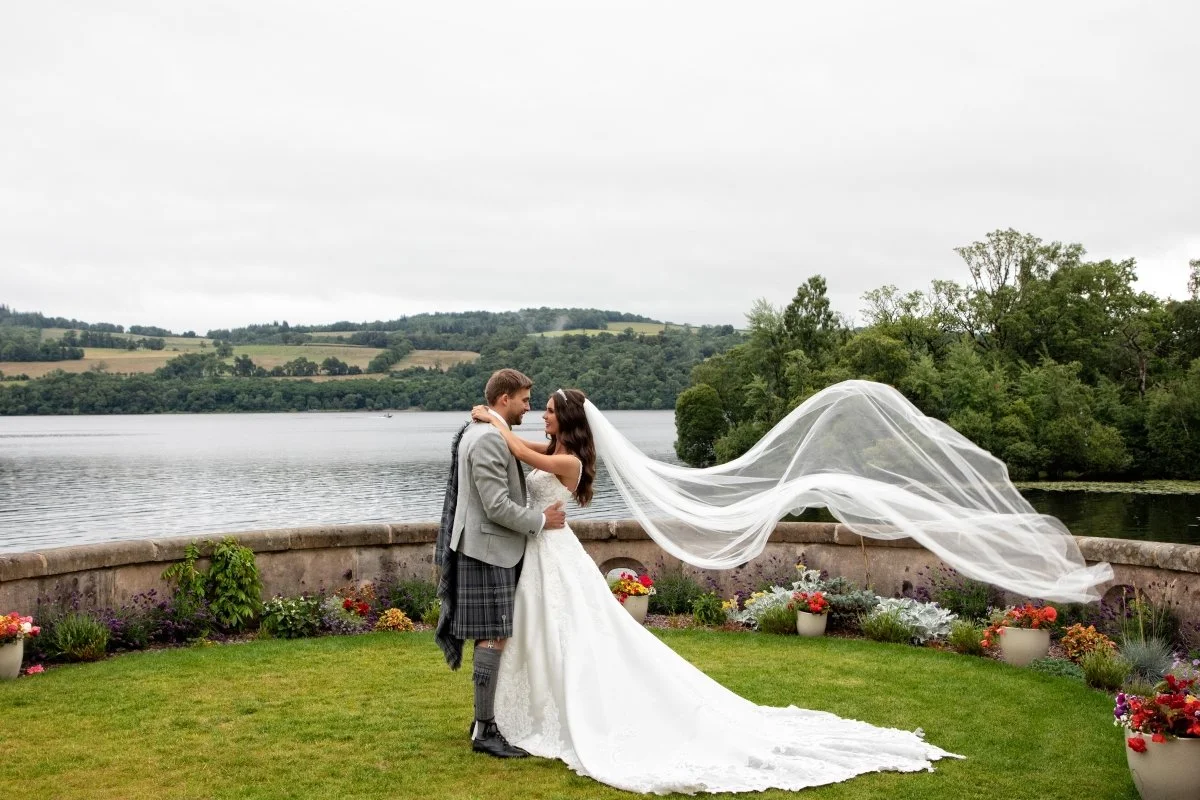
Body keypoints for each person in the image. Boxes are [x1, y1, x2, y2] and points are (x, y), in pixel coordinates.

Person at [469, 382, 1113, 793]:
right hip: (541, 554)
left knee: (581, 639)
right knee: (551, 636)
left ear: (566, 421)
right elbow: (521, 453)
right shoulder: (548, 444)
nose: (541, 415)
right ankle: (525, 715)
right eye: (539, 410)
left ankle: (576, 715)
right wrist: (502, 429)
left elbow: (526, 458)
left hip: (555, 554)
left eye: (548, 410)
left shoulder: (569, 459)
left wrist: (494, 425)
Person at [433, 368, 566, 759]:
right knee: (494, 636)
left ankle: (482, 720)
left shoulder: (482, 431)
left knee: (492, 636)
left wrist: (491, 418)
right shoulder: (489, 439)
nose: (529, 407)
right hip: (488, 549)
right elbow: (496, 507)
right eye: (525, 400)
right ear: (504, 398)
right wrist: (542, 521)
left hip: (482, 546)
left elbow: (525, 454)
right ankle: (485, 730)